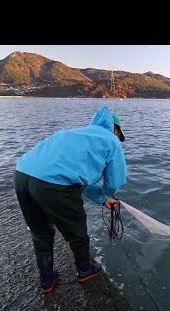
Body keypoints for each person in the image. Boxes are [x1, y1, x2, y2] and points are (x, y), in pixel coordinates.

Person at [14, 106, 127, 294]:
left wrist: (101, 199)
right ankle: (85, 270)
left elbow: (77, 177)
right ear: (114, 129)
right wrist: (108, 194)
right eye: (118, 134)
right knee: (77, 231)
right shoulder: (110, 141)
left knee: (40, 233)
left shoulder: (76, 134)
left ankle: (46, 281)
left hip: (22, 175)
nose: (117, 138)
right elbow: (116, 179)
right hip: (52, 184)